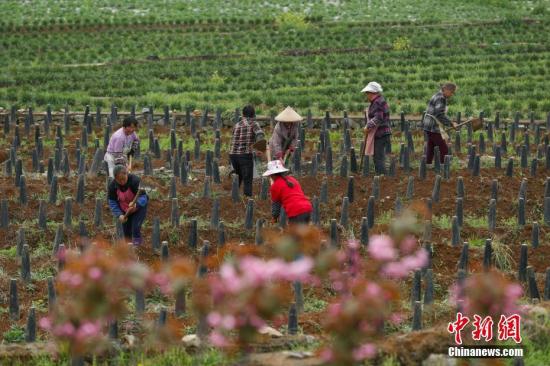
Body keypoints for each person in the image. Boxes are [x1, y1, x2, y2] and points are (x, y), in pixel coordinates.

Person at [107, 165, 148, 246]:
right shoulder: (113, 186)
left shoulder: (135, 180)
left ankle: (137, 247)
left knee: (135, 227)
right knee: (126, 231)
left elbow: (144, 197)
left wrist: (136, 205)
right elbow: (112, 202)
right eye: (119, 180)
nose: (122, 182)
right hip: (125, 210)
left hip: (138, 208)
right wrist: (119, 215)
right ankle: (128, 249)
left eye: (123, 179)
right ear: (115, 179)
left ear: (127, 174)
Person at [229, 105, 265, 197]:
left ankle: (234, 197)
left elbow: (232, 140)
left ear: (243, 114)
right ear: (253, 115)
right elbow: (260, 134)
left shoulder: (237, 125)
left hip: (233, 155)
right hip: (245, 155)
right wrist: (260, 149)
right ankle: (248, 198)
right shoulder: (253, 123)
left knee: (238, 177)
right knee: (247, 178)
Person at [263, 160, 312, 224]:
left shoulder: (275, 186)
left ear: (272, 175)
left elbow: (276, 205)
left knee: (296, 233)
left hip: (295, 211)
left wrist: (274, 218)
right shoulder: (292, 179)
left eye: (270, 175)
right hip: (307, 208)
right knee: (304, 232)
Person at [422, 83, 458, 164]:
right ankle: (444, 166)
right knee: (443, 148)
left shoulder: (437, 95)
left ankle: (427, 164)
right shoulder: (441, 98)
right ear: (446, 90)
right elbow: (439, 114)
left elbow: (439, 113)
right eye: (452, 92)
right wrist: (451, 123)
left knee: (431, 146)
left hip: (428, 124)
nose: (452, 95)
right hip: (433, 126)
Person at [361, 81, 391, 175]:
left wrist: (368, 126)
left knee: (378, 157)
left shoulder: (378, 102)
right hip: (381, 133)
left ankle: (382, 177)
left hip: (381, 133)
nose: (367, 95)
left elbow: (378, 117)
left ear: (372, 93)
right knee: (377, 156)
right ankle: (381, 176)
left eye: (367, 93)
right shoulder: (377, 102)